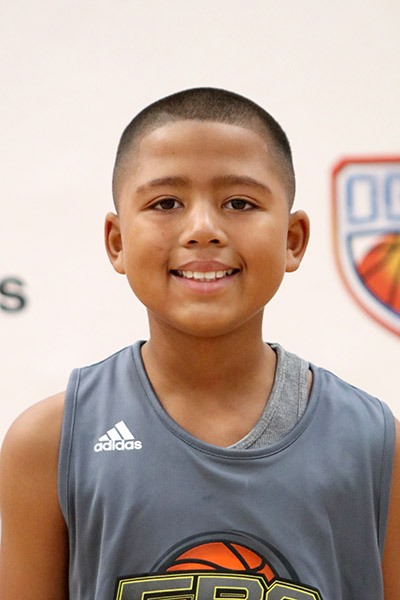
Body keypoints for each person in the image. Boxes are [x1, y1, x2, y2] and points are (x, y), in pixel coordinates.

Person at [0, 88, 399, 600]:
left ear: (293, 239)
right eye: (166, 203)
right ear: (117, 242)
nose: (203, 230)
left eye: (239, 203)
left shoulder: (374, 443)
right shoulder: (49, 443)